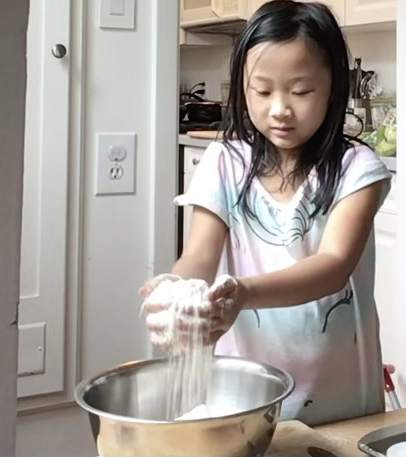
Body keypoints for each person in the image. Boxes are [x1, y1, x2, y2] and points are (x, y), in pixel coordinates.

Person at [141, 0, 392, 426]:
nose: (280, 108)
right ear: (243, 89)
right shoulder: (223, 162)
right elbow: (200, 254)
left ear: (333, 88)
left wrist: (244, 294)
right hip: (246, 398)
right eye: (262, 91)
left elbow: (333, 266)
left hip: (341, 400)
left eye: (300, 91)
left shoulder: (357, 170)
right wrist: (179, 291)